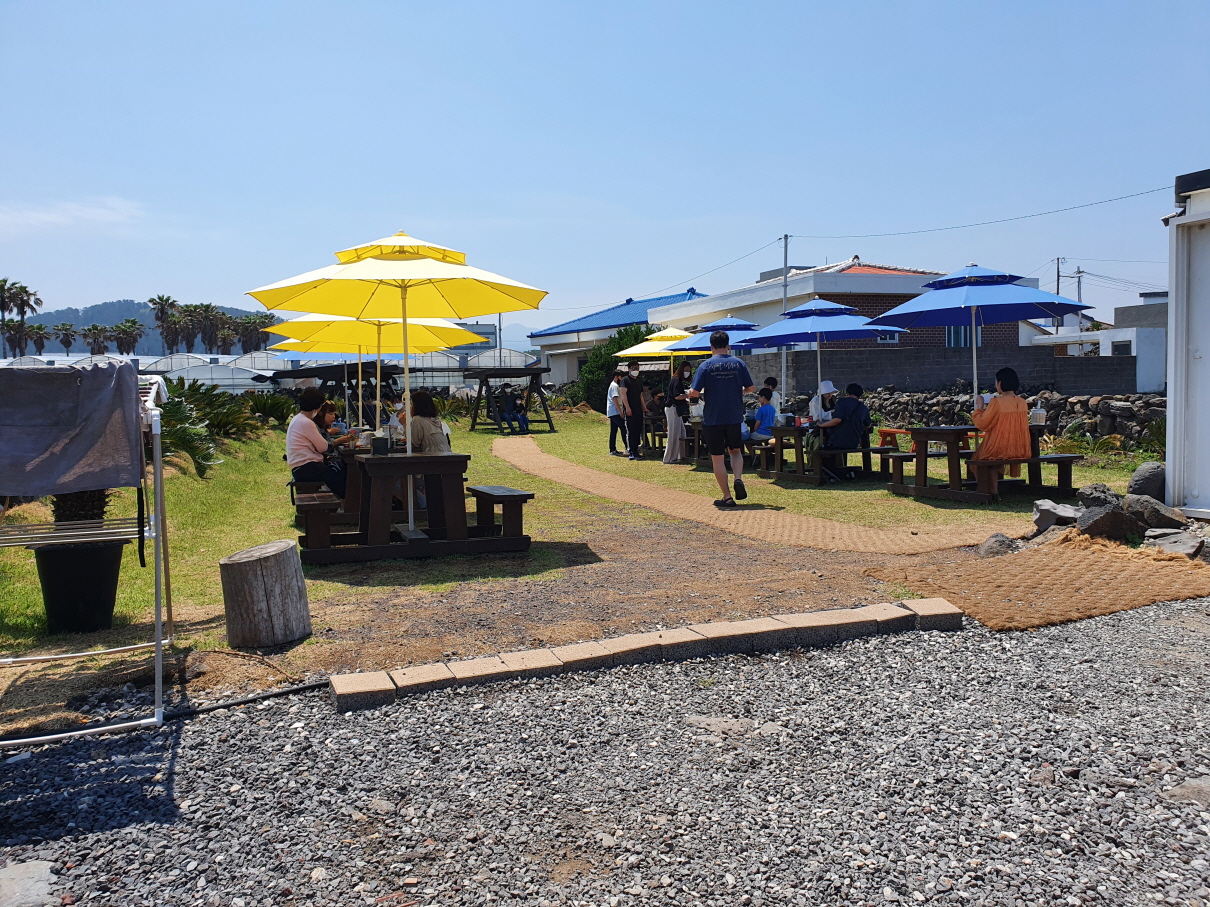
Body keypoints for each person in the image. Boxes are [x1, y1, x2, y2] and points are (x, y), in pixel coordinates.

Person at [689, 331, 755, 507]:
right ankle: (738, 478)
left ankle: (727, 497)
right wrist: (738, 390)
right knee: (735, 451)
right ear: (728, 346)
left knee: (717, 458)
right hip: (734, 416)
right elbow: (751, 388)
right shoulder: (738, 363)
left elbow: (695, 392)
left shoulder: (705, 366)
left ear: (711, 347)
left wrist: (691, 393)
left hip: (713, 417)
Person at [971, 366, 1031, 493]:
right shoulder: (1022, 402)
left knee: (978, 459)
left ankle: (988, 490)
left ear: (1000, 383)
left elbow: (982, 423)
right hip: (1020, 447)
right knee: (991, 460)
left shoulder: (997, 402)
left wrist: (980, 406)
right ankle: (993, 490)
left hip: (999, 447)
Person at [286, 388, 347, 498]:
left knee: (338, 473)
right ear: (318, 406)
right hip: (308, 468)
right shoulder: (306, 422)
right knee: (342, 476)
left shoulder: (297, 419)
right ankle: (350, 503)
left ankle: (346, 502)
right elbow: (323, 447)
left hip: (300, 468)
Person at [663, 360, 693, 464]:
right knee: (673, 434)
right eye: (685, 370)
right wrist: (688, 395)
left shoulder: (678, 380)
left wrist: (687, 400)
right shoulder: (676, 380)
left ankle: (681, 455)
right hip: (672, 409)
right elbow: (676, 396)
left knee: (681, 433)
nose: (687, 372)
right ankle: (669, 458)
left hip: (677, 409)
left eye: (689, 370)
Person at [621, 360, 645, 460]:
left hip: (638, 409)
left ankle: (636, 451)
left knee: (637, 430)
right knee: (631, 431)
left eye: (637, 368)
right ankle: (631, 451)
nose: (636, 370)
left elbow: (640, 395)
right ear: (629, 369)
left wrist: (644, 407)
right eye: (634, 368)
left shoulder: (638, 381)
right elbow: (623, 394)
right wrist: (627, 407)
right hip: (630, 409)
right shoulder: (625, 380)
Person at [606, 368, 626, 456]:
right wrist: (620, 411)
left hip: (612, 411)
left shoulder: (613, 385)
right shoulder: (614, 386)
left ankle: (612, 449)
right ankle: (628, 447)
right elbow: (615, 399)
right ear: (617, 377)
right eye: (621, 377)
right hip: (615, 411)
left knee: (614, 430)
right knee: (623, 428)